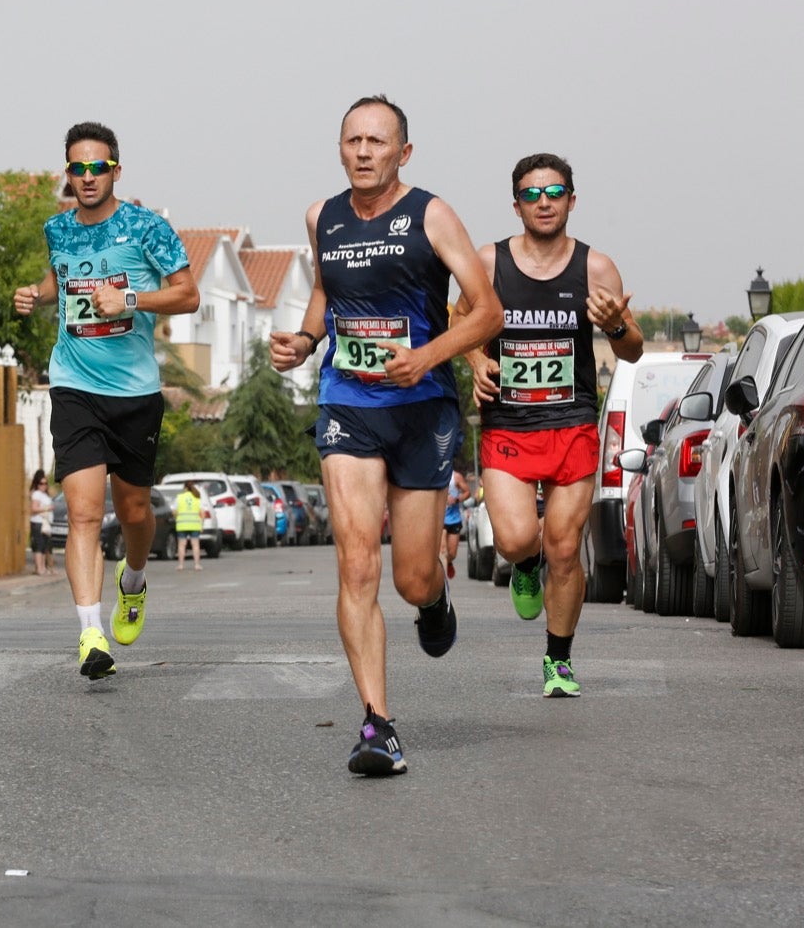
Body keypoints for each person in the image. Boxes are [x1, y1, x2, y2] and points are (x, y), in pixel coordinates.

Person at [270, 95, 502, 777]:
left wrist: (428, 357)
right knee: (357, 562)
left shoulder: (431, 214)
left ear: (403, 153)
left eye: (378, 141)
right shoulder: (323, 217)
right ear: (340, 149)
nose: (364, 152)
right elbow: (324, 289)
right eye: (353, 140)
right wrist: (307, 340)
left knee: (411, 575)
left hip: (423, 404)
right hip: (349, 400)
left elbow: (486, 312)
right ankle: (377, 724)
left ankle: (434, 598)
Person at [13, 121, 199, 680]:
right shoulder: (57, 228)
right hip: (74, 383)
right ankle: (91, 634)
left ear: (116, 170)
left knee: (136, 511)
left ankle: (134, 580)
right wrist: (37, 294)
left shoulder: (148, 228)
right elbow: (58, 279)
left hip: (135, 392)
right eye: (78, 168)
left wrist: (130, 299)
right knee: (85, 514)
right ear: (66, 174)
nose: (88, 177)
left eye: (98, 168)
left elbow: (188, 295)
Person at [457, 153, 643, 698]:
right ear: (516, 204)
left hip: (572, 421)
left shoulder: (597, 268)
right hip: (509, 424)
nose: (544, 202)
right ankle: (524, 563)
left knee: (566, 546)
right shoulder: (489, 261)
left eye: (554, 192)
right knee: (516, 538)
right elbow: (456, 318)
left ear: (571, 200)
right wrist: (476, 364)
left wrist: (614, 327)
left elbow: (631, 350)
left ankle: (558, 660)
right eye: (532, 194)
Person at [440, 469, 470, 579]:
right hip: (440, 519)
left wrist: (457, 499)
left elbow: (467, 492)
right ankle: (442, 582)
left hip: (454, 519)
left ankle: (449, 562)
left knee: (452, 554)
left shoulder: (456, 477)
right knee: (442, 550)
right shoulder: (433, 474)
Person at [29, 470, 54, 576]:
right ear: (37, 484)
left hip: (46, 523)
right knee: (38, 545)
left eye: (45, 483)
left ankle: (43, 567)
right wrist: (47, 508)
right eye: (41, 483)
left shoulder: (45, 495)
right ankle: (39, 568)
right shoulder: (37, 494)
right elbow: (34, 509)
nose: (44, 485)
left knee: (44, 546)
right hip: (38, 522)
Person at [175, 479, 203, 571]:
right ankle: (197, 565)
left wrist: (177, 518)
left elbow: (174, 512)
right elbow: (202, 513)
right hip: (194, 525)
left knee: (182, 545)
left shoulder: (179, 497)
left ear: (185, 488)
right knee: (195, 545)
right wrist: (202, 525)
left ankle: (181, 565)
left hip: (182, 525)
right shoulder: (197, 498)